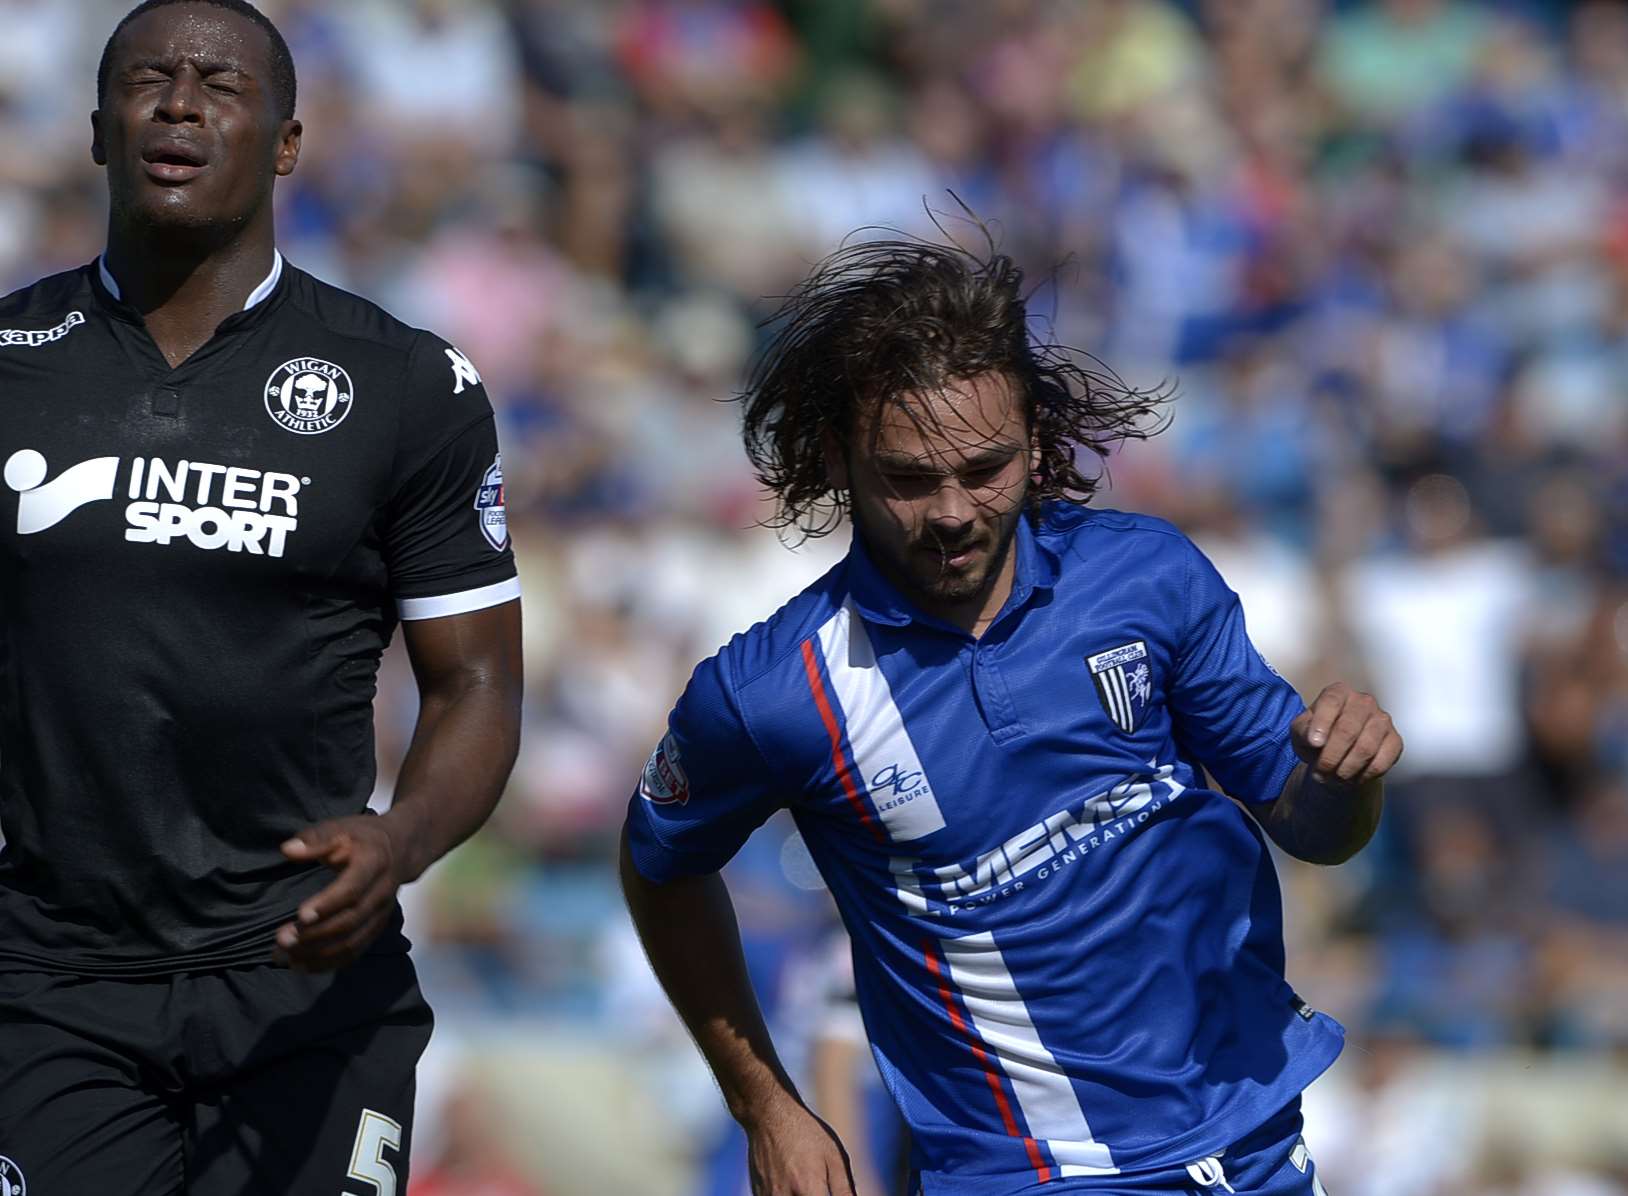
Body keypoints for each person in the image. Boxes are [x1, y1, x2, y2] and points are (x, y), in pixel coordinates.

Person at [620, 236, 1402, 1196]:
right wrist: (766, 1105)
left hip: (1255, 1141)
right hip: (1031, 1173)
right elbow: (659, 867)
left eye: (985, 468)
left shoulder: (1146, 577)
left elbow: (1314, 826)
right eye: (908, 478)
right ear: (838, 459)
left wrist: (1349, 780)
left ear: (1036, 442)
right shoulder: (772, 692)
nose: (952, 512)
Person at [0, 2, 522, 1192]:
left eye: (219, 85)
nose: (179, 104)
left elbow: (479, 683)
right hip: (48, 978)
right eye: (148, 80)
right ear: (95, 129)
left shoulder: (407, 384)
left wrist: (401, 839)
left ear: (288, 141)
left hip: (306, 979)